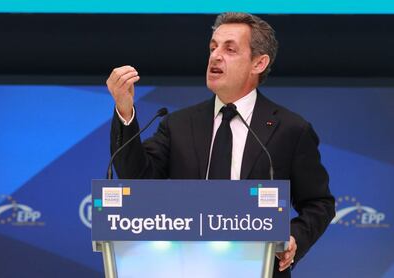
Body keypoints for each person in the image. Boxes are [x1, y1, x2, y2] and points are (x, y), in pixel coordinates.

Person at [106, 12, 335, 278]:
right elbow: (137, 179)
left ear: (258, 63)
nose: (215, 56)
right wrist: (124, 110)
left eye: (230, 49)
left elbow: (319, 202)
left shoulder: (291, 129)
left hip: (258, 269)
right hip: (182, 267)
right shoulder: (178, 124)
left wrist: (294, 238)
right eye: (213, 47)